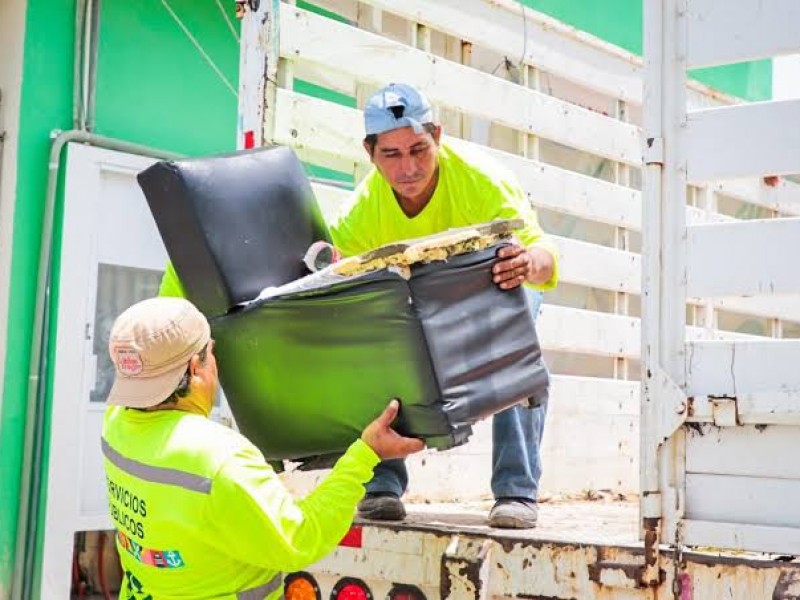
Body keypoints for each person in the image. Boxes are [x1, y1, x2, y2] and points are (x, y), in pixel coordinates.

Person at [329, 83, 559, 529]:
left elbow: (542, 256)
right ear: (370, 153)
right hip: (423, 293)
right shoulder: (358, 214)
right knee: (367, 343)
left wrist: (528, 262)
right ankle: (381, 485)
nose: (409, 168)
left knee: (518, 350)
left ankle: (516, 490)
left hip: (496, 280)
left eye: (419, 149)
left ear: (437, 135)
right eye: (391, 155)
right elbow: (335, 281)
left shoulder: (481, 179)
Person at [101, 296, 424, 599]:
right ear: (193, 368)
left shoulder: (115, 423)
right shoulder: (219, 459)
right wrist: (366, 455)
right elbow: (300, 538)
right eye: (211, 353)